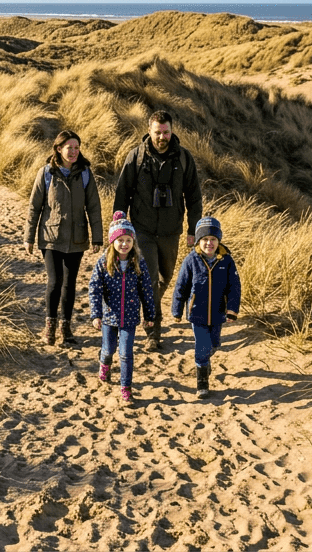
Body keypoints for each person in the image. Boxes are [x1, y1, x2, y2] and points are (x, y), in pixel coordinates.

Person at [112, 110, 202, 352]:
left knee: (165, 277)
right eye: (157, 132)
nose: (162, 137)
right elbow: (122, 191)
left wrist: (193, 229)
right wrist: (119, 224)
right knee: (150, 279)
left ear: (171, 131)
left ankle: (148, 304)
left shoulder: (184, 158)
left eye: (166, 132)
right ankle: (153, 331)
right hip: (142, 229)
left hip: (172, 230)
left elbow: (194, 197)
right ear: (149, 131)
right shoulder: (136, 156)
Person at [25, 129, 103, 346]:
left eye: (77, 148)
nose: (74, 152)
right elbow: (34, 207)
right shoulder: (46, 173)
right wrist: (28, 237)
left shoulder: (85, 174)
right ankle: (49, 328)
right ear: (59, 149)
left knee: (70, 284)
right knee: (55, 281)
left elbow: (94, 207)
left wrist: (97, 237)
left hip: (77, 238)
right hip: (50, 236)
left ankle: (65, 329)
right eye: (70, 148)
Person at [88, 211, 158, 404]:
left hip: (130, 318)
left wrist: (150, 315)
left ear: (133, 241)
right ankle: (105, 365)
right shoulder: (104, 262)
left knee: (126, 354)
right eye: (120, 240)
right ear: (113, 242)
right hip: (109, 317)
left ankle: (126, 387)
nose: (124, 244)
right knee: (108, 349)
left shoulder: (139, 263)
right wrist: (96, 314)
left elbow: (146, 290)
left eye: (128, 240)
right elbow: (94, 288)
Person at [171, 217, 241, 399]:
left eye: (213, 239)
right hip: (197, 313)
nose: (209, 243)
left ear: (219, 241)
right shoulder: (191, 260)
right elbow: (181, 285)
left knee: (214, 343)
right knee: (202, 346)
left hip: (218, 312)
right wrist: (177, 309)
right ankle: (202, 381)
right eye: (205, 239)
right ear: (198, 241)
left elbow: (234, 286)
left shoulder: (226, 260)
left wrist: (232, 310)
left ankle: (205, 359)